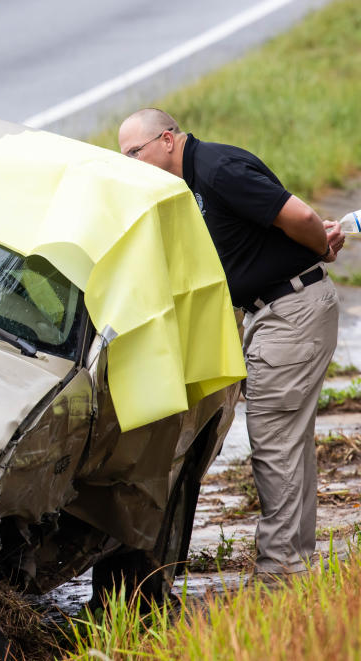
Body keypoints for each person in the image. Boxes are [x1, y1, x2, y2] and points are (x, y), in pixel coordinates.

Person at [118, 108, 343, 581]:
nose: (129, 162)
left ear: (166, 139)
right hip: (278, 310)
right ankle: (294, 566)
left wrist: (320, 247)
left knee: (273, 446)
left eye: (133, 152)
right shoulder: (194, 180)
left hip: (291, 311)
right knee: (290, 444)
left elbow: (299, 214)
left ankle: (278, 574)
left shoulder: (218, 171)